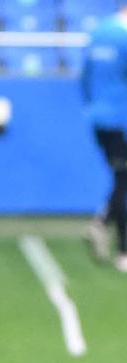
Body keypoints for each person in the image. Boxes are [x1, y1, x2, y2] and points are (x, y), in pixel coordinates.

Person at [82, 1, 127, 270]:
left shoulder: (99, 33)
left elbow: (84, 78)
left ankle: (105, 224)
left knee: (122, 178)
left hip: (99, 117)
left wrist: (93, 106)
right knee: (124, 180)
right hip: (121, 119)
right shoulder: (123, 39)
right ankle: (118, 245)